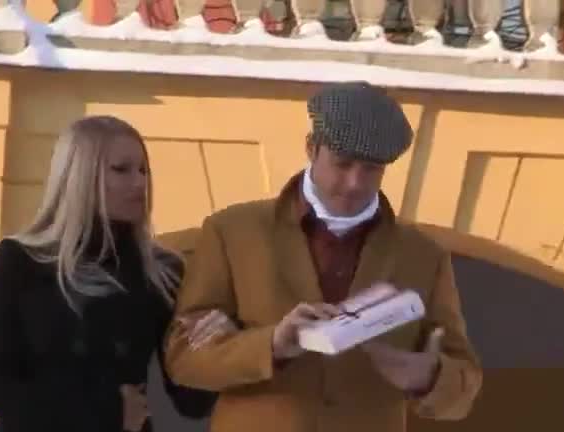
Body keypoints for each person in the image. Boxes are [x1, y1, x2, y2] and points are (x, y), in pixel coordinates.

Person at [164, 82, 483, 432]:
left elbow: (464, 388)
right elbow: (183, 359)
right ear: (311, 147)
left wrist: (430, 376)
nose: (354, 183)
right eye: (342, 164)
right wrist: (272, 344)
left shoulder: (424, 254)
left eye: (372, 169)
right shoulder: (232, 232)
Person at [0, 115, 231, 432]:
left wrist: (213, 345)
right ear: (80, 177)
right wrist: (105, 411)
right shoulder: (20, 260)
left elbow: (190, 403)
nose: (140, 183)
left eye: (144, 170)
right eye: (121, 169)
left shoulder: (162, 270)